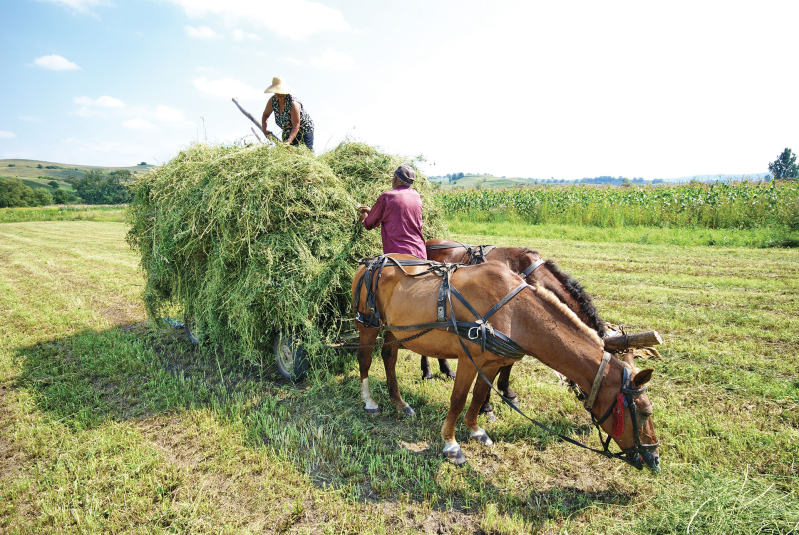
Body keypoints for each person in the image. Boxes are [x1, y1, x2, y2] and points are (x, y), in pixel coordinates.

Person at [359, 165, 426, 259]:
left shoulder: (387, 197)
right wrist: (373, 211)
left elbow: (369, 224)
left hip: (397, 256)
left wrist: (364, 217)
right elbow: (400, 215)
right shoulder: (416, 196)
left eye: (394, 176)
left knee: (366, 271)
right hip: (420, 254)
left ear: (397, 179)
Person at [261, 76, 314, 150]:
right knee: (288, 154)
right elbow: (265, 115)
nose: (280, 93)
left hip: (304, 130)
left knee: (305, 153)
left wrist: (289, 141)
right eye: (277, 91)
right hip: (287, 130)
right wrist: (264, 129)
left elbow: (296, 124)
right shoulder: (273, 101)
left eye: (281, 91)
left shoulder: (293, 103)